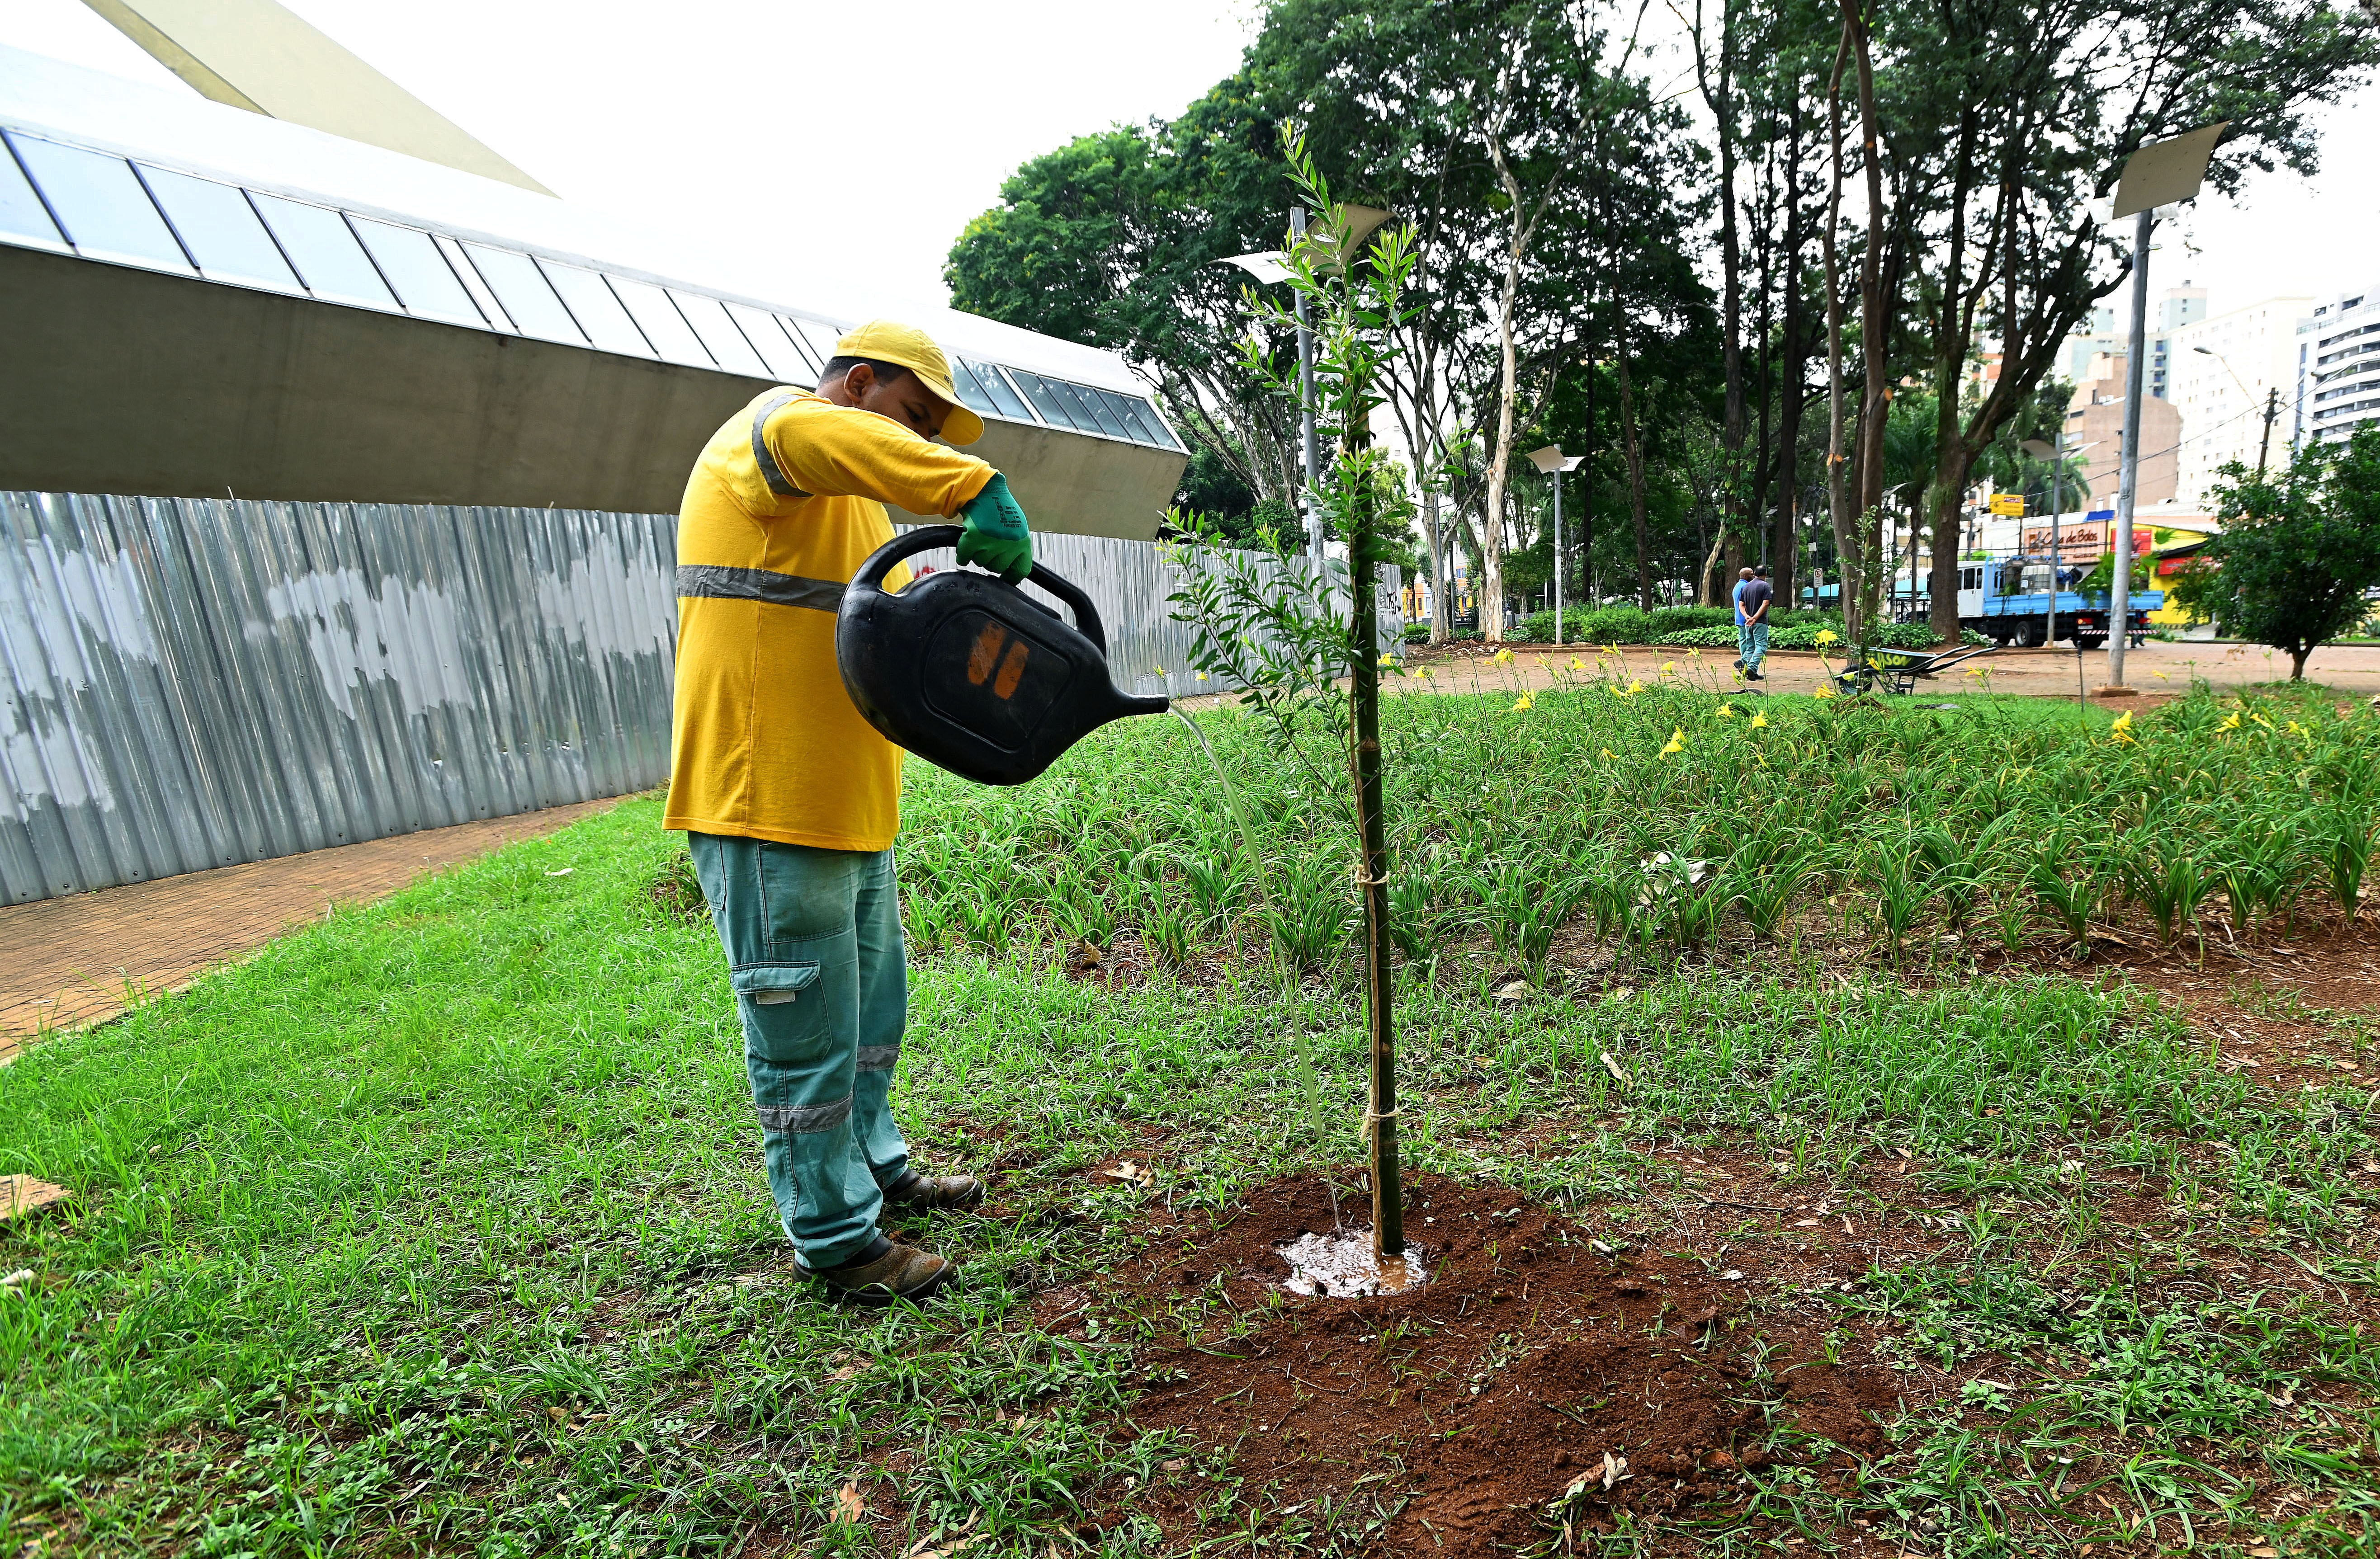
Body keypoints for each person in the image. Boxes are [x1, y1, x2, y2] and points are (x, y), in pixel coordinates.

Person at [666, 320, 1033, 1307]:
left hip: (848, 804)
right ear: (859, 383)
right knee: (806, 1033)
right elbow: (835, 438)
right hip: (765, 797)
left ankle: (876, 1165)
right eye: (913, 421)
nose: (924, 448)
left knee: (871, 1016)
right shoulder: (771, 434)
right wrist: (971, 487)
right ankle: (833, 1239)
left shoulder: (857, 514)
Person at [1739, 565, 1774, 681]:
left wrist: (1747, 617)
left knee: (1750, 647)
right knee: (1761, 647)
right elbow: (1765, 604)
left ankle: (1749, 670)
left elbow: (1741, 605)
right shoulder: (1765, 586)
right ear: (1765, 575)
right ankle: (1752, 668)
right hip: (1760, 622)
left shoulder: (1746, 587)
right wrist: (1755, 617)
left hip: (1748, 623)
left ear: (1755, 574)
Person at [1731, 566, 1754, 671]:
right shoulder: (1746, 587)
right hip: (1746, 618)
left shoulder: (1737, 586)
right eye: (1751, 574)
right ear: (1746, 576)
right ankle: (1744, 662)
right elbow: (1747, 604)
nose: (1753, 576)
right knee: (1749, 642)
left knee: (1743, 641)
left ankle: (1744, 663)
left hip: (1739, 618)